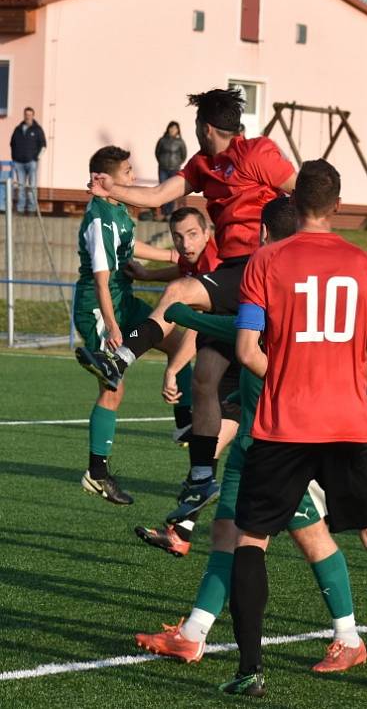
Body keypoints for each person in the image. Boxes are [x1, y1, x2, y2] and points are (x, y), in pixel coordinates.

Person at [225, 159, 367, 696]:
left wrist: (288, 370)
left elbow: (245, 349)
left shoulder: (266, 260)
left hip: (284, 423)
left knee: (252, 540)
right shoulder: (361, 265)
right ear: (336, 203)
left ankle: (249, 672)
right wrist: (340, 364)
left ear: (295, 201)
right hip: (350, 424)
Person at [135, 198, 367, 674]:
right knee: (228, 533)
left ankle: (347, 637)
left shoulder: (272, 275)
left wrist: (190, 316)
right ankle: (194, 633)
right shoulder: (300, 276)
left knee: (304, 537)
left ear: (264, 234)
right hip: (259, 439)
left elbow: (246, 336)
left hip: (277, 442)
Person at [77, 87, 296, 522]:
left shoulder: (258, 152)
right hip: (235, 273)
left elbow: (300, 191)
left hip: (260, 267)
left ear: (206, 128)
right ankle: (200, 475)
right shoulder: (201, 164)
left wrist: (299, 248)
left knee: (179, 293)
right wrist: (113, 187)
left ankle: (120, 359)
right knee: (206, 380)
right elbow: (158, 196)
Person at [72, 146, 185, 504]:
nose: (133, 177)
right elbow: (102, 280)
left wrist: (173, 257)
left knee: (175, 336)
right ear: (107, 178)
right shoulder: (98, 219)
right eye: (128, 172)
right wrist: (110, 323)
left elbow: (131, 248)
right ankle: (97, 473)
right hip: (99, 306)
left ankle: (185, 419)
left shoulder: (119, 211)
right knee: (113, 387)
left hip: (124, 296)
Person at [125, 206, 221, 444]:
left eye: (192, 235)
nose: (185, 244)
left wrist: (173, 370)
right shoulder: (194, 258)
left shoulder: (213, 262)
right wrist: (147, 275)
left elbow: (197, 326)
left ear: (207, 233)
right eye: (178, 237)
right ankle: (200, 471)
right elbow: (182, 270)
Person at [10, 106, 46, 214]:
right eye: (26, 114)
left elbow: (43, 146)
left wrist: (36, 158)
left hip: (31, 163)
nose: (28, 117)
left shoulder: (38, 130)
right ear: (24, 115)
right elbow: (12, 143)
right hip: (19, 163)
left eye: (30, 115)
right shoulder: (18, 129)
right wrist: (14, 158)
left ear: (33, 116)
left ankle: (31, 209)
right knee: (20, 187)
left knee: (32, 186)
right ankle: (20, 209)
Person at [153, 121, 187, 219]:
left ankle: (169, 213)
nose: (173, 130)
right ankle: (164, 212)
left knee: (171, 191)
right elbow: (157, 152)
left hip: (174, 169)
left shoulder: (180, 142)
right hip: (163, 169)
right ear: (168, 129)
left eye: (175, 128)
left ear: (178, 130)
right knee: (163, 190)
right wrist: (162, 162)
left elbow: (183, 155)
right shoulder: (162, 140)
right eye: (171, 128)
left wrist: (177, 163)